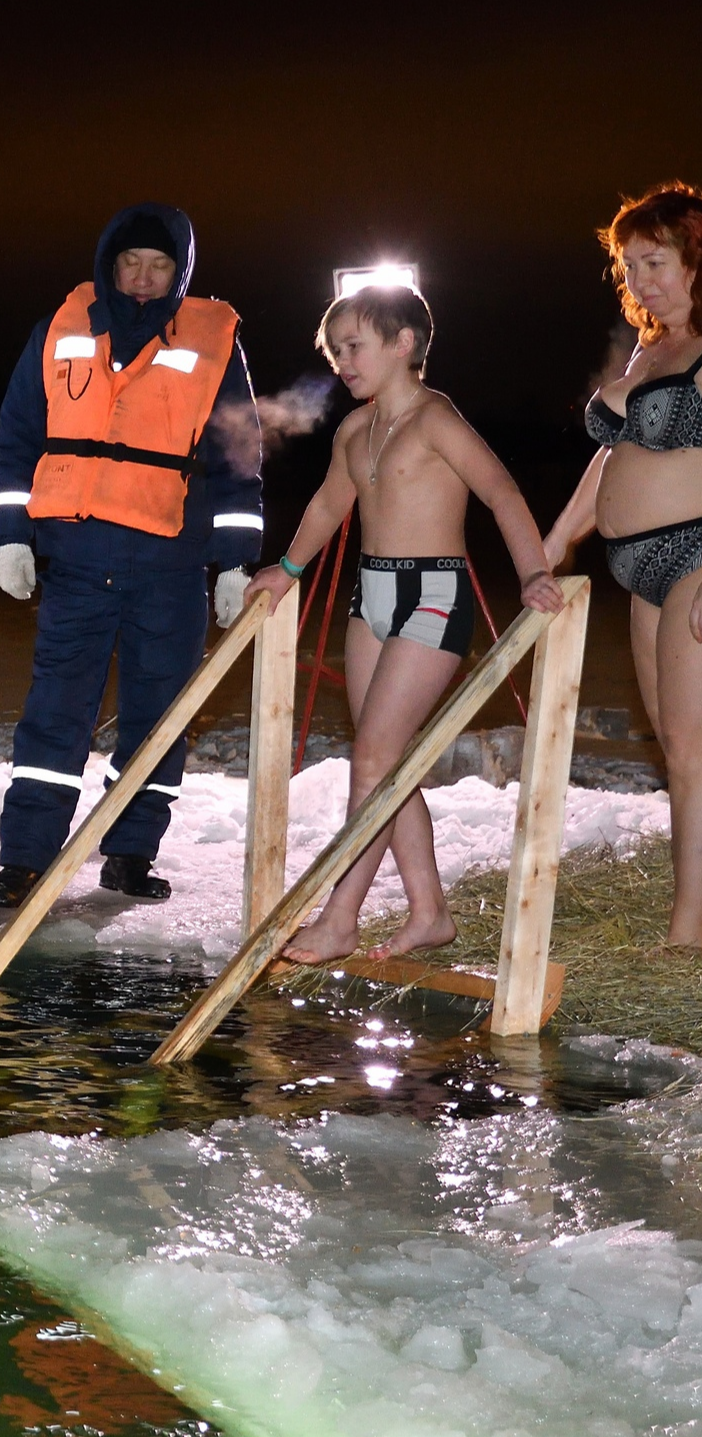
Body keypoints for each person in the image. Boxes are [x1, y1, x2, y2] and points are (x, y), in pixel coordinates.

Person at [243, 285, 561, 959]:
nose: (341, 362)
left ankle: (339, 919)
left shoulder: (433, 418)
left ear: (403, 344)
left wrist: (533, 571)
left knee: (375, 759)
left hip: (434, 594)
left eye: (353, 346)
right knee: (386, 763)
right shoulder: (355, 430)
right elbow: (330, 505)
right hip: (373, 597)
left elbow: (500, 491)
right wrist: (287, 570)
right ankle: (428, 910)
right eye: (334, 351)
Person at [0, 204, 265, 908]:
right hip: (76, 558)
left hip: (170, 565)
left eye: (158, 265)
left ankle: (130, 853)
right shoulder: (58, 329)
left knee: (158, 714)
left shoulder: (213, 342)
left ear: (180, 273)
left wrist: (234, 559)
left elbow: (238, 458)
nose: (141, 278)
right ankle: (23, 860)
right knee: (54, 709)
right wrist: (10, 536)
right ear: (109, 265)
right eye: (129, 263)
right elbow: (17, 439)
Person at [544, 182, 702, 943]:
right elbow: (609, 458)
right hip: (635, 565)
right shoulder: (648, 347)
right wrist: (554, 542)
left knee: (693, 744)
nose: (639, 280)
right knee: (676, 746)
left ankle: (686, 931)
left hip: (697, 555)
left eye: (655, 260)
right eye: (628, 265)